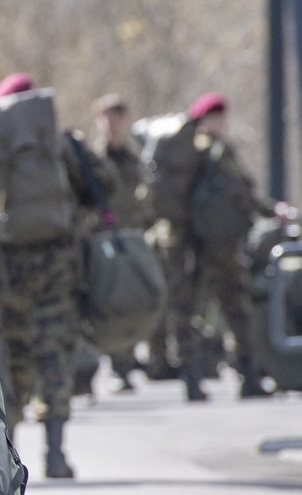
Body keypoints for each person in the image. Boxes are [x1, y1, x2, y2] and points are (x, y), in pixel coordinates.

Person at [0, 72, 110, 479]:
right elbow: (106, 187)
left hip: (4, 279)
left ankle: (8, 459)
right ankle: (55, 453)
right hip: (58, 274)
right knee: (54, 359)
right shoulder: (61, 144)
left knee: (11, 361)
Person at [175, 92, 289, 401]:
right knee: (234, 309)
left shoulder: (190, 155)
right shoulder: (214, 153)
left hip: (196, 244)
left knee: (193, 310)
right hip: (216, 248)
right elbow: (242, 195)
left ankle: (192, 377)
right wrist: (271, 211)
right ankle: (244, 376)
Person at [91, 93, 153, 392]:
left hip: (131, 236)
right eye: (107, 118)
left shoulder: (134, 158)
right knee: (108, 298)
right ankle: (112, 364)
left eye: (118, 117)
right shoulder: (93, 159)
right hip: (102, 239)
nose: (113, 124)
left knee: (131, 298)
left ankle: (126, 361)